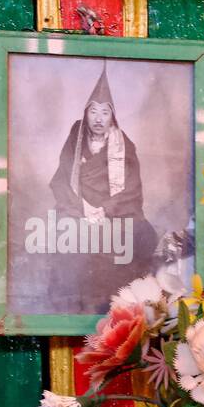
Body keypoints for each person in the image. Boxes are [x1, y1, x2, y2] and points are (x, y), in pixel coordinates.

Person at [46, 65, 160, 305]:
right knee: (59, 235)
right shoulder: (76, 134)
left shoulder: (124, 144)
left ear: (112, 117)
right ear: (86, 114)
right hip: (77, 206)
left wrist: (105, 209)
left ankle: (121, 303)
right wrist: (82, 207)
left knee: (142, 237)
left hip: (115, 210)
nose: (98, 119)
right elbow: (63, 175)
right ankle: (67, 303)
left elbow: (131, 188)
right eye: (93, 112)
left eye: (105, 113)